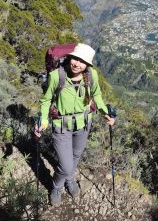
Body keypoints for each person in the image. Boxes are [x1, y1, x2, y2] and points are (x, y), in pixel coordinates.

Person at [34, 43, 115, 206]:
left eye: (82, 61)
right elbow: (46, 100)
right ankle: (56, 187)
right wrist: (43, 120)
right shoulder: (57, 76)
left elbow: (97, 95)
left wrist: (105, 111)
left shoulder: (91, 75)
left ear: (87, 64)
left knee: (76, 155)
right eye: (75, 59)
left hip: (84, 123)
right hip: (62, 124)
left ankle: (70, 179)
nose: (77, 64)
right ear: (70, 57)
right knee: (65, 165)